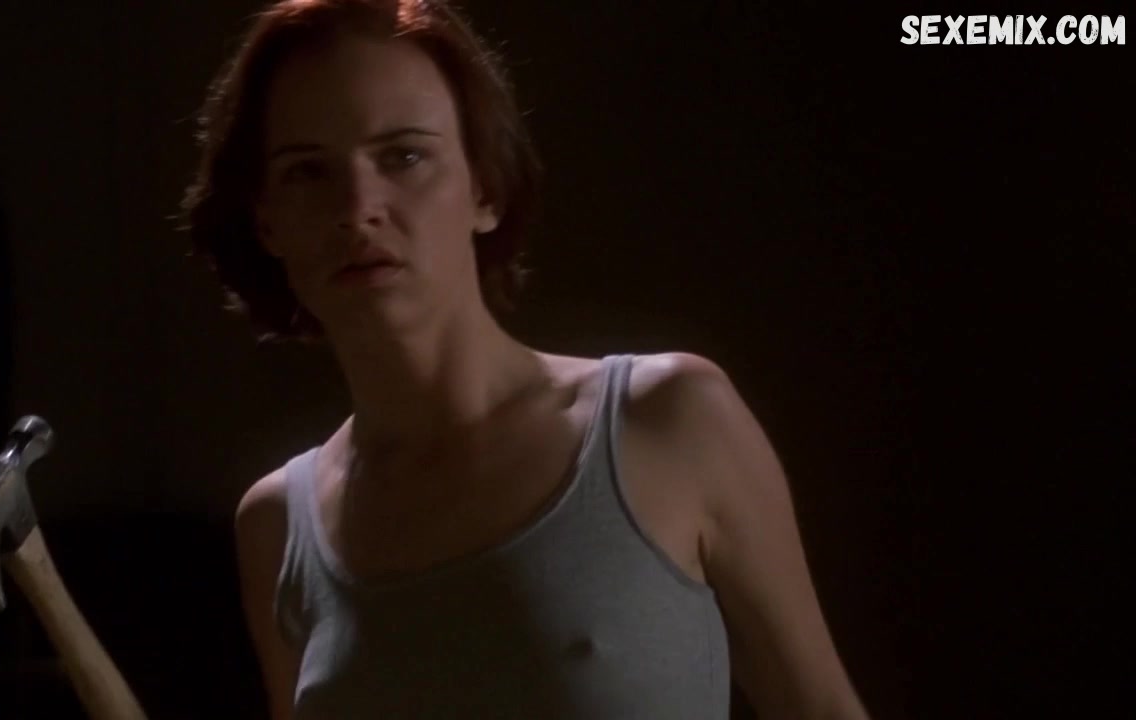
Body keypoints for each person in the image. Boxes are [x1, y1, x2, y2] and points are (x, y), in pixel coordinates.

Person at [183, 1, 869, 718]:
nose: (358, 208)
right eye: (307, 172)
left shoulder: (666, 420)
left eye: (404, 156)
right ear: (266, 219)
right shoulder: (278, 526)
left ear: (484, 188)